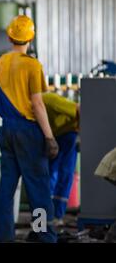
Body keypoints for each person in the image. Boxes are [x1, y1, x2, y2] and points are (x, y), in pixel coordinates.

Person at [0, 15, 59, 243]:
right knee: (38, 188)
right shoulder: (32, 65)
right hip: (29, 131)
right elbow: (37, 104)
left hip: (6, 130)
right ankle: (43, 236)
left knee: (7, 189)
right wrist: (49, 137)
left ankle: (4, 237)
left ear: (9, 37)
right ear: (31, 38)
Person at [42, 92, 80, 226]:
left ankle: (57, 216)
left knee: (64, 174)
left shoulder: (50, 100)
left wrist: (82, 134)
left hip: (68, 134)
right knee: (50, 174)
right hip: (53, 136)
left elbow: (79, 109)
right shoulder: (26, 108)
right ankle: (47, 218)